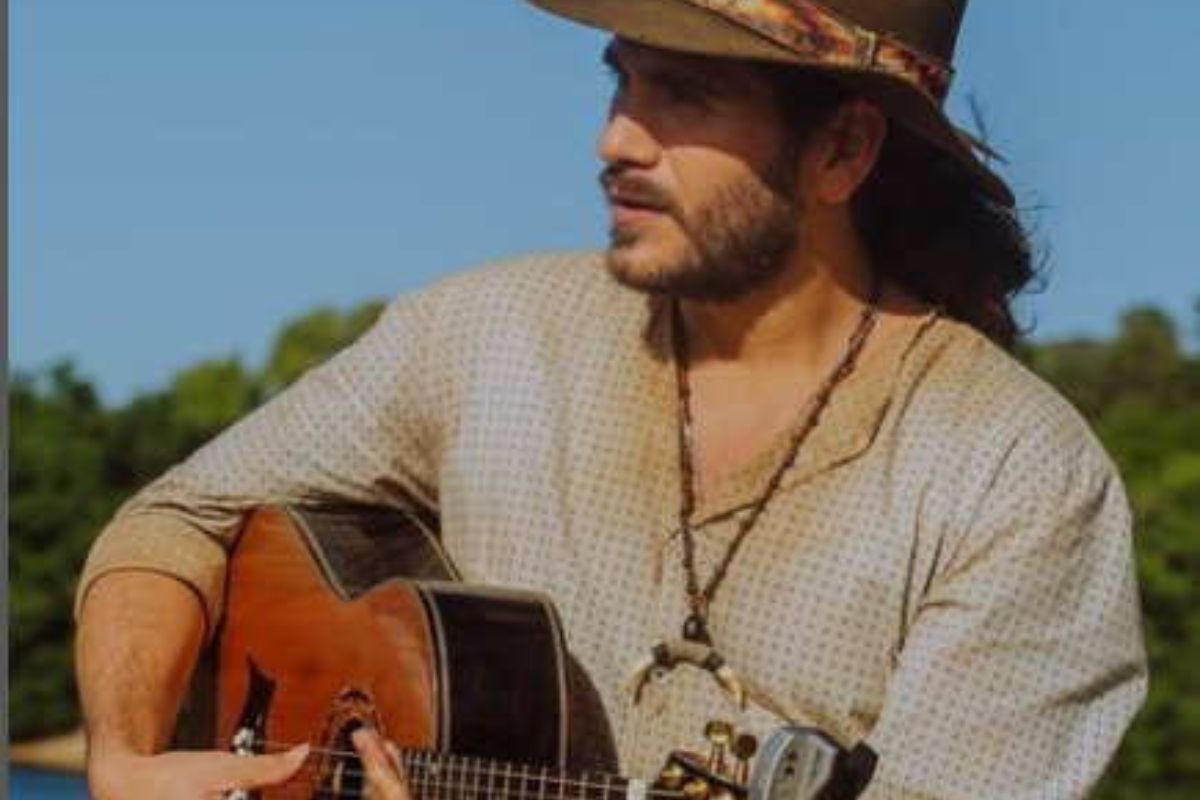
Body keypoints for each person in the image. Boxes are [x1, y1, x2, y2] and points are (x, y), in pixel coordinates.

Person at [74, 1, 1147, 798]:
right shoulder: (484, 332)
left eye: (684, 94)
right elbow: (180, 517)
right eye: (621, 80)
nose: (617, 138)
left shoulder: (1013, 474)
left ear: (842, 149)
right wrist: (122, 754)